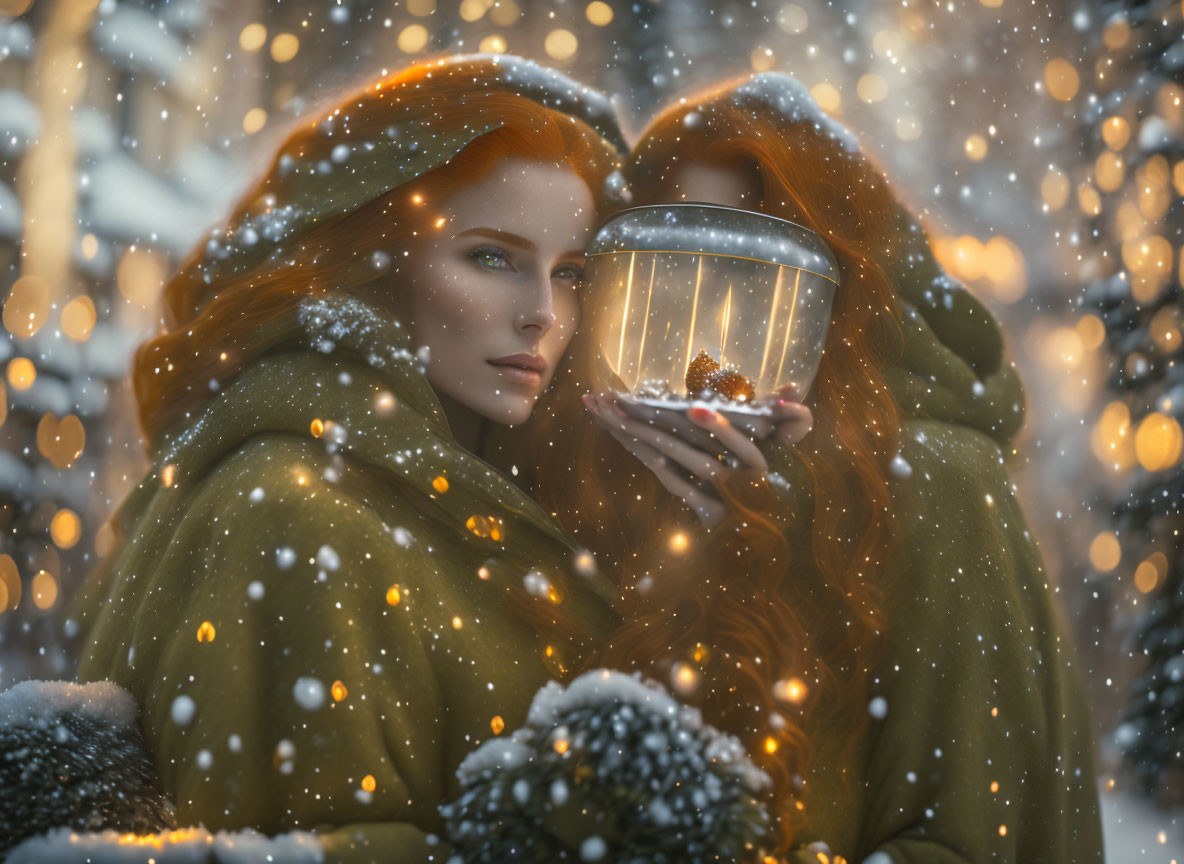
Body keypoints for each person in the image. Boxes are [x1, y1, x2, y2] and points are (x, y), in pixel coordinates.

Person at [515, 73, 1105, 862]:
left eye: (751, 271)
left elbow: (976, 830)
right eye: (673, 266)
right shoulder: (595, 468)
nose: (706, 318)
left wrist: (779, 524)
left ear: (842, 287)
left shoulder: (938, 479)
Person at [69, 55, 627, 863]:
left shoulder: (496, 489)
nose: (542, 314)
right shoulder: (293, 511)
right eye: (492, 258)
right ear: (379, 262)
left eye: (569, 272)